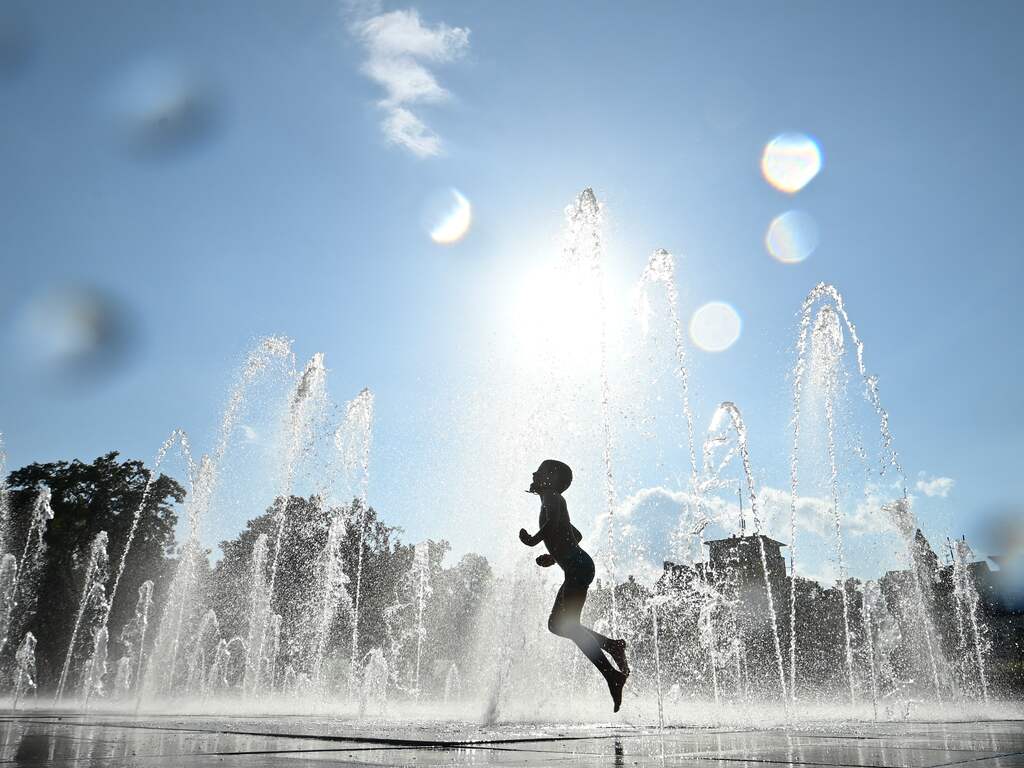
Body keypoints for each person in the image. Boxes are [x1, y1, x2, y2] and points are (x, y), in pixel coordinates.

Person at [518, 459, 630, 711]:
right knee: (559, 624)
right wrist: (554, 555)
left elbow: (554, 523)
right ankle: (612, 649)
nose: (534, 473)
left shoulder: (551, 496)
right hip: (577, 567)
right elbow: (575, 535)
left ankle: (612, 670)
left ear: (551, 478)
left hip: (578, 567)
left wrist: (535, 540)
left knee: (564, 624)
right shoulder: (553, 498)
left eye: (540, 470)